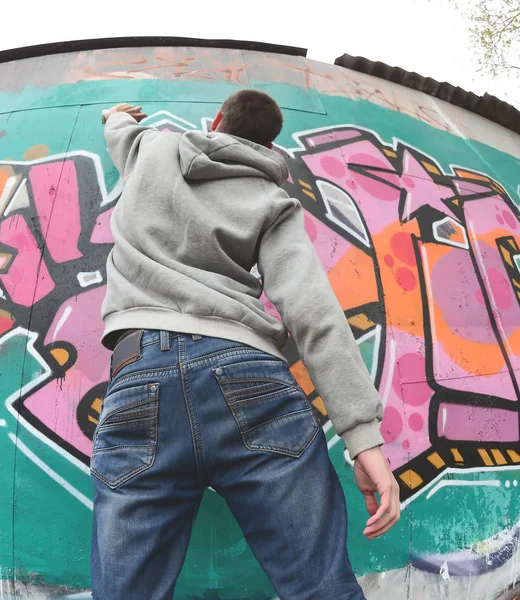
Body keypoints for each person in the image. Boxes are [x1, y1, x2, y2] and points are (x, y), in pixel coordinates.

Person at [92, 90, 400, 600]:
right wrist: (363, 438)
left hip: (139, 372)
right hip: (248, 373)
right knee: (320, 589)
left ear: (216, 120)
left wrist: (116, 114)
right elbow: (312, 312)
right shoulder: (272, 199)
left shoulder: (150, 149)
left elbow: (117, 130)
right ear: (268, 144)